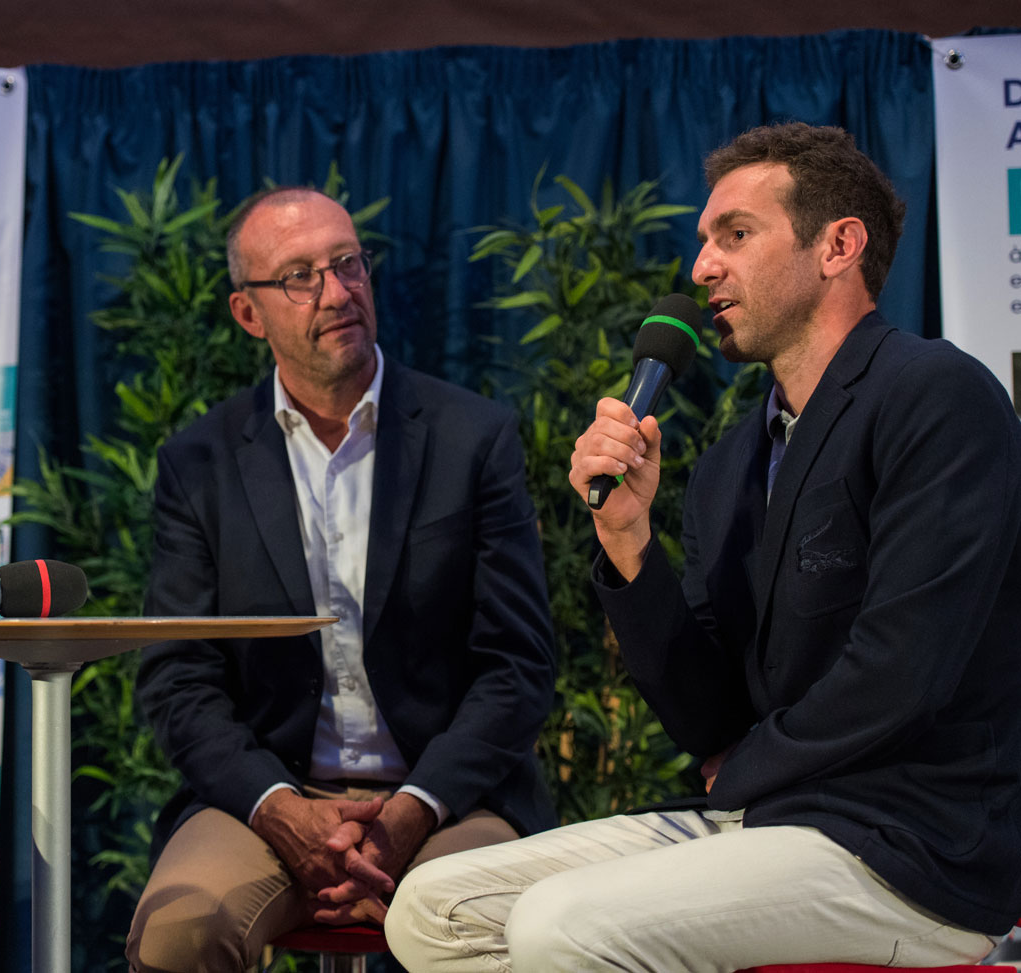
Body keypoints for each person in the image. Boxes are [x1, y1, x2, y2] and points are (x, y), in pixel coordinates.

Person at [384, 122, 1021, 971]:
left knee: (560, 925)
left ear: (839, 245)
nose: (701, 268)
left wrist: (748, 766)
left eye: (736, 235)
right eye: (703, 243)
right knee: (431, 908)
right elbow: (708, 715)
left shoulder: (935, 396)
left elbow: (904, 667)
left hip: (910, 847)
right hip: (767, 816)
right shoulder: (728, 465)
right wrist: (628, 542)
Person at [125, 187, 557, 972]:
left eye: (347, 263)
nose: (336, 291)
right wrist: (280, 807)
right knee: (181, 929)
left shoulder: (472, 438)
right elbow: (179, 678)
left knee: (483, 917)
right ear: (248, 314)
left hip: (449, 795)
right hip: (267, 798)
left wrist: (410, 810)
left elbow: (518, 664)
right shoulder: (201, 462)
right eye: (299, 275)